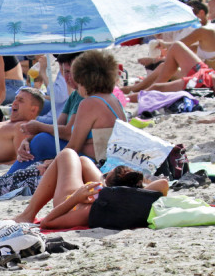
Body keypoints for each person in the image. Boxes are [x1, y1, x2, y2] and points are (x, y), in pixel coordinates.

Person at [15, 50, 126, 166]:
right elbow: (58, 129)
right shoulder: (112, 99)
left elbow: (73, 147)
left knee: (42, 143)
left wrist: (52, 164)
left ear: (82, 78)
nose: (70, 79)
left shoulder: (89, 103)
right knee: (41, 141)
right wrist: (28, 139)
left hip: (97, 164)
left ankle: (8, 176)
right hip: (107, 162)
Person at [12, 148, 168, 230]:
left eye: (106, 176)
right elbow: (163, 184)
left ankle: (28, 214)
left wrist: (77, 197)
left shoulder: (89, 210)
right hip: (112, 197)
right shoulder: (137, 201)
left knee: (67, 154)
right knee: (84, 161)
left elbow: (47, 222)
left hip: (72, 202)